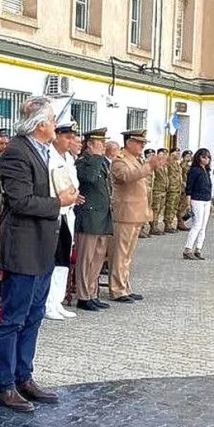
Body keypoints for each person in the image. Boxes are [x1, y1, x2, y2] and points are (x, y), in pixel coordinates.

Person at [0, 96, 81, 412]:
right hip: (24, 247)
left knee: (33, 315)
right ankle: (4, 384)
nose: (56, 126)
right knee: (14, 318)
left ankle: (23, 376)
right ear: (41, 124)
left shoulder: (43, 150)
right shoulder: (18, 152)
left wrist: (64, 198)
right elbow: (21, 201)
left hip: (43, 245)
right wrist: (60, 202)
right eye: (53, 120)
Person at [110, 129, 163, 303]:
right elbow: (126, 176)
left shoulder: (136, 159)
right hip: (125, 213)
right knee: (120, 253)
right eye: (139, 143)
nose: (142, 146)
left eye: (143, 143)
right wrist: (149, 167)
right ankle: (117, 289)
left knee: (128, 254)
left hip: (136, 213)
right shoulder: (120, 160)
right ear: (128, 143)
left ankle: (125, 286)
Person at [43, 122, 82, 320]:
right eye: (67, 137)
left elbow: (72, 183)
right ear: (56, 136)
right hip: (55, 211)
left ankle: (57, 301)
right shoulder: (48, 156)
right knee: (53, 258)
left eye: (72, 137)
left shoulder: (68, 158)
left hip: (68, 212)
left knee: (63, 260)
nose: (71, 141)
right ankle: (48, 303)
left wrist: (76, 196)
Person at [73, 130, 113, 312]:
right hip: (89, 216)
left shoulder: (101, 162)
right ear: (89, 144)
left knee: (97, 259)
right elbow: (88, 179)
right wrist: (96, 158)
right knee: (86, 259)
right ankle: (82, 295)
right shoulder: (84, 162)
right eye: (99, 142)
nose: (103, 146)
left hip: (102, 217)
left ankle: (92, 292)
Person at [183, 149, 213, 260]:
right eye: (204, 157)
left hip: (206, 200)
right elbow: (189, 187)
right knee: (197, 225)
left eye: (208, 157)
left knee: (203, 226)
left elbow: (209, 187)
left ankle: (198, 249)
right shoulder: (194, 170)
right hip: (197, 200)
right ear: (198, 157)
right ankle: (188, 249)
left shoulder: (206, 170)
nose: (206, 159)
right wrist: (188, 202)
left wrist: (211, 202)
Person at [149, 147, 169, 234]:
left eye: (165, 154)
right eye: (162, 154)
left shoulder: (165, 166)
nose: (164, 156)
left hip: (163, 190)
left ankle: (155, 226)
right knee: (155, 209)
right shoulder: (155, 165)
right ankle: (153, 227)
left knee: (160, 209)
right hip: (157, 190)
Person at [163, 149, 183, 234]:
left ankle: (170, 223)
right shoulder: (168, 163)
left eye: (179, 152)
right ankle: (167, 224)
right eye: (176, 152)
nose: (178, 154)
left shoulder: (177, 164)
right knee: (169, 207)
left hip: (177, 188)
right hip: (171, 188)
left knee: (174, 207)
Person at [177, 150, 193, 229]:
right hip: (183, 187)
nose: (189, 158)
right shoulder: (181, 165)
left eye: (190, 156)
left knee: (187, 206)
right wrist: (185, 161)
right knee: (182, 205)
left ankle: (182, 221)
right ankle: (180, 222)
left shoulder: (190, 165)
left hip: (189, 187)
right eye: (187, 156)